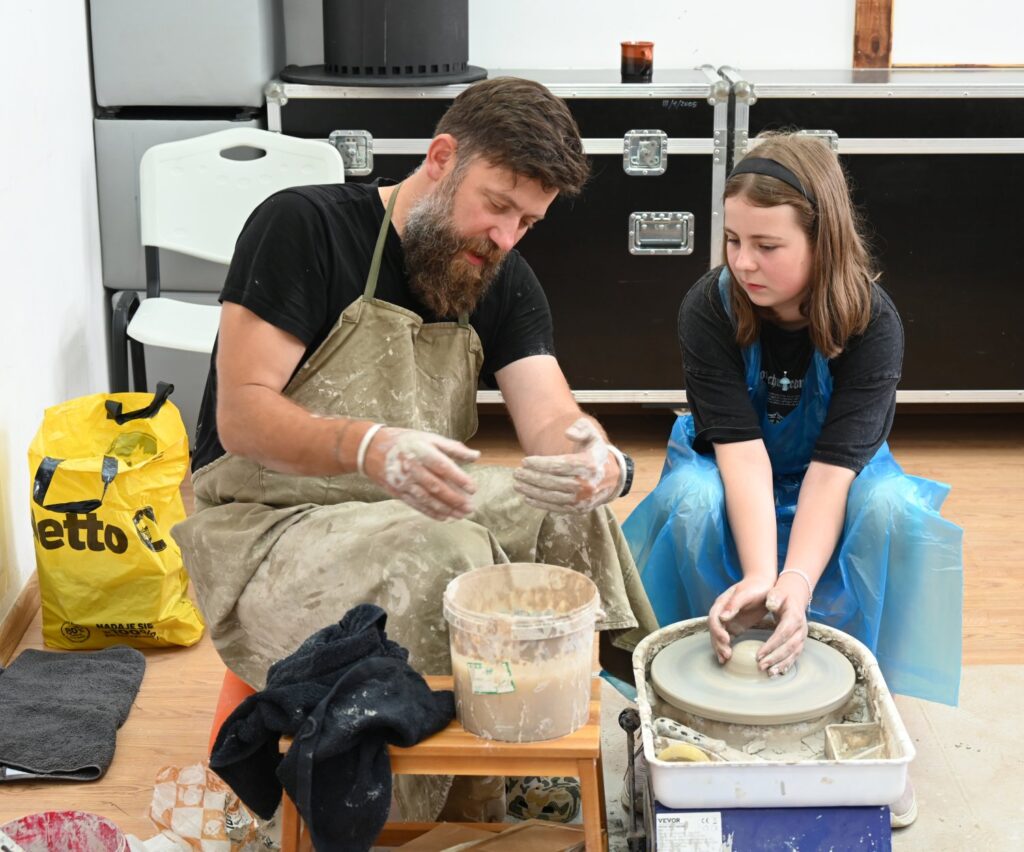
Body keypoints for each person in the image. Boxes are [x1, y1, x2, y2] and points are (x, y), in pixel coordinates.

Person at [172, 76, 656, 821]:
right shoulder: (304, 226)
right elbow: (242, 417)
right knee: (449, 553)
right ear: (440, 157)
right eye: (498, 205)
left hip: (407, 502)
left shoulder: (498, 274)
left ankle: (575, 740)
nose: (506, 236)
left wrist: (597, 459)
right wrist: (366, 447)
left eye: (528, 222)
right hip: (265, 524)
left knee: (567, 511)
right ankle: (429, 813)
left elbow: (551, 414)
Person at [623, 132, 963, 709]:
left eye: (767, 245)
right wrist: (761, 577)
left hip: (837, 472)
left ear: (821, 241)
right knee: (689, 499)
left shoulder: (873, 323)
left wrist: (796, 583)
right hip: (731, 464)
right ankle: (709, 674)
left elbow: (832, 473)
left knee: (893, 511)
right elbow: (742, 454)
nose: (743, 261)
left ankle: (858, 690)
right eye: (732, 240)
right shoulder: (709, 307)